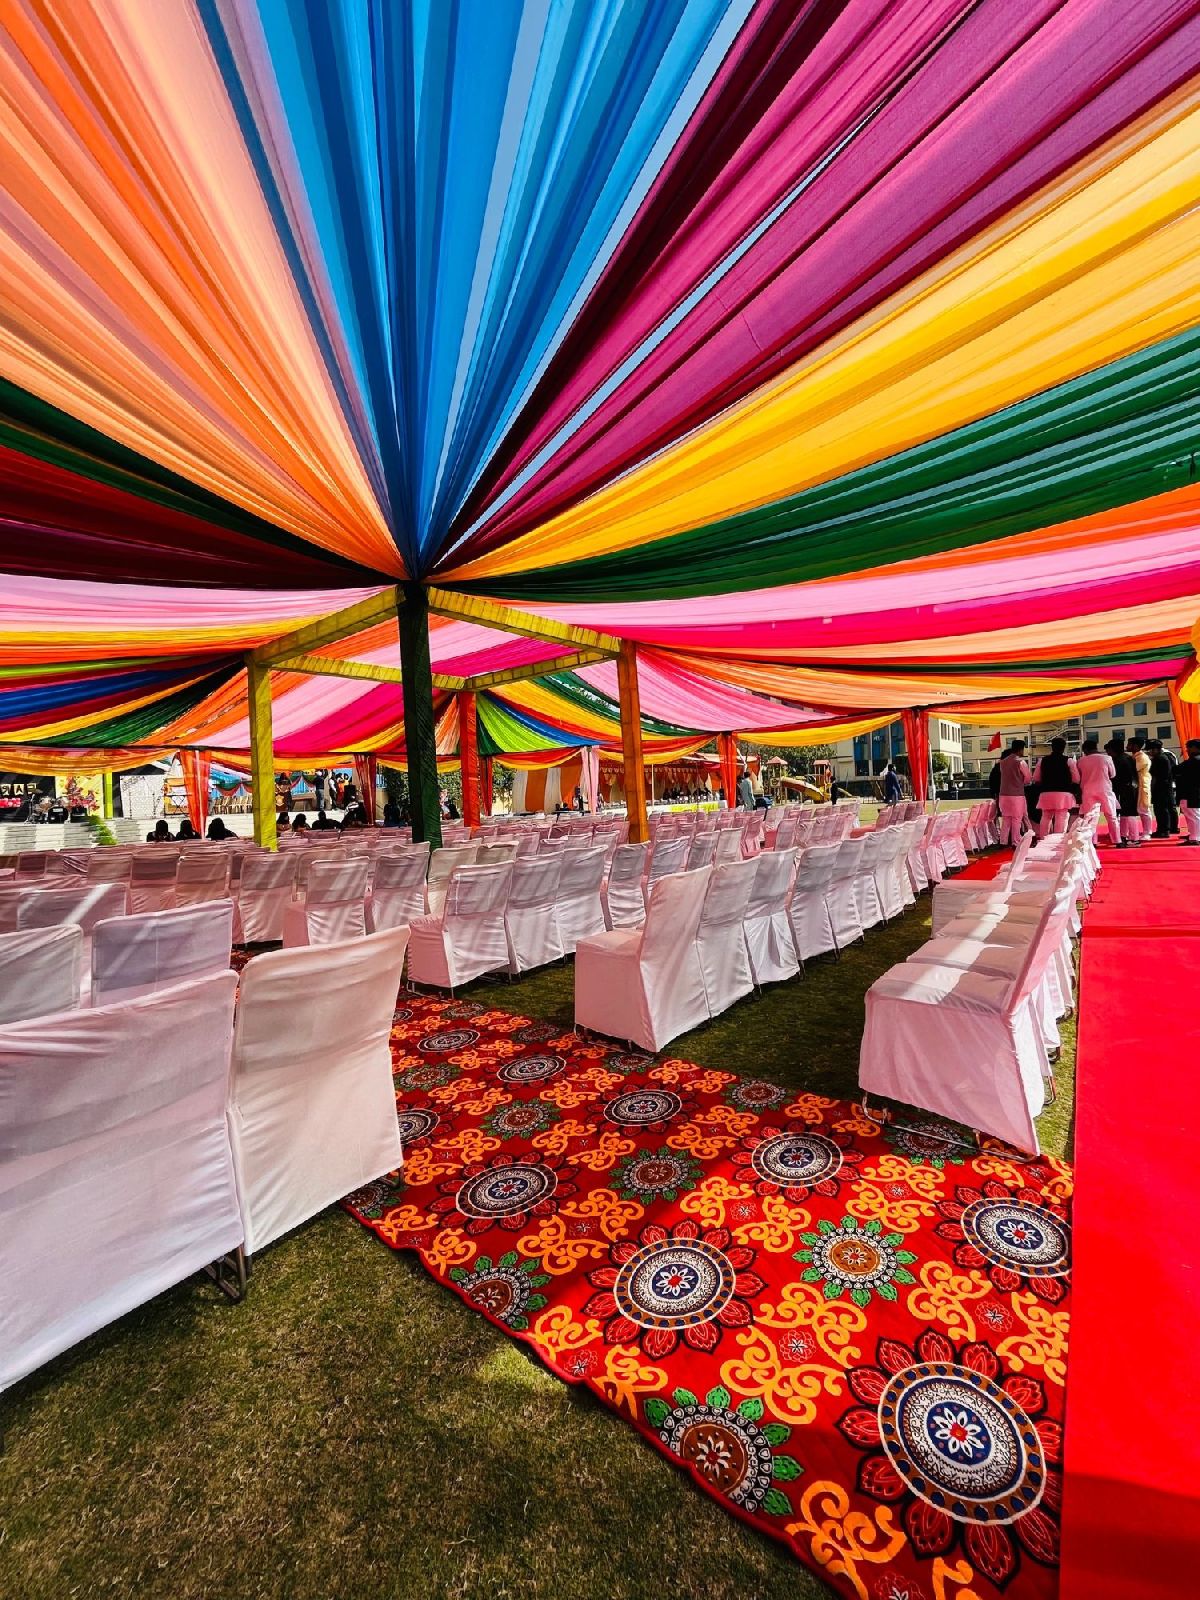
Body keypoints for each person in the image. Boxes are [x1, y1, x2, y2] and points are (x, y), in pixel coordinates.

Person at [1032, 737, 1078, 838]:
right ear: (1064, 747)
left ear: (1052, 747)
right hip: (1063, 793)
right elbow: (1076, 779)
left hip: (1046, 792)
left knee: (1046, 817)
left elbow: (1036, 778)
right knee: (1061, 817)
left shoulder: (1042, 761)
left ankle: (1043, 839)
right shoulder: (1069, 761)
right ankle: (1057, 840)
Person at [1078, 735, 1119, 844]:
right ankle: (1117, 840)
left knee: (1090, 817)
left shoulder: (1081, 760)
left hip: (1087, 790)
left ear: (1085, 750)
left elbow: (1078, 776)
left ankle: (1093, 842)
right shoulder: (1107, 758)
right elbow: (1113, 774)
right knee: (1111, 816)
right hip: (1105, 789)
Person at [996, 739, 1033, 846]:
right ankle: (1015, 841)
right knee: (1017, 818)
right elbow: (1028, 778)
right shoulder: (1020, 761)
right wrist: (1021, 782)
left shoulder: (1002, 762)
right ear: (1021, 749)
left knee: (1006, 819)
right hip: (1017, 794)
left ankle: (1003, 841)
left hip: (1003, 794)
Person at [1106, 736, 1141, 845]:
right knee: (1126, 814)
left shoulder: (1117, 760)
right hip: (1131, 788)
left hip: (1124, 789)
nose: (1107, 752)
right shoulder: (1128, 758)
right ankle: (1124, 836)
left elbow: (1115, 777)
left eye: (1109, 749)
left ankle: (1134, 838)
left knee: (1128, 814)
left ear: (1113, 749)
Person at [1147, 740, 1176, 839]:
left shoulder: (1159, 759)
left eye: (1151, 750)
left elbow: (1154, 775)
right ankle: (1162, 829)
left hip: (1161, 787)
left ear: (1156, 749)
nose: (1149, 752)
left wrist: (1152, 788)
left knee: (1162, 810)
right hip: (1164, 787)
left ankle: (1164, 830)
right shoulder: (1163, 757)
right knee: (1161, 809)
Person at [1173, 738, 1200, 845]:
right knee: (1192, 816)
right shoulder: (1193, 760)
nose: (1187, 750)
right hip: (1191, 792)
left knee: (1193, 816)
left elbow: (1176, 770)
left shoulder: (1194, 761)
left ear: (1195, 748)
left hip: (1191, 792)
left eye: (1189, 747)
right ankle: (1194, 835)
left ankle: (1195, 838)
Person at [1128, 736, 1154, 841]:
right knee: (1141, 809)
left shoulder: (1142, 757)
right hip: (1137, 786)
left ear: (1135, 746)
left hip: (1143, 785)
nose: (1127, 746)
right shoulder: (1135, 756)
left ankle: (1147, 832)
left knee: (1144, 810)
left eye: (1129, 744)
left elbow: (1133, 769)